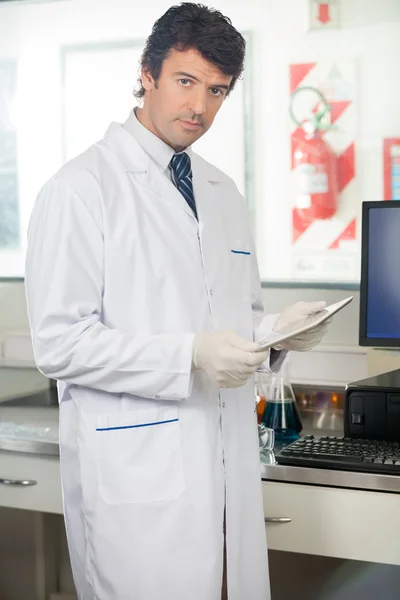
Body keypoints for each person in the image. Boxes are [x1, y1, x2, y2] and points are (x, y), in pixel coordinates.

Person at [25, 3, 329, 599]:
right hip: (137, 477)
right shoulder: (81, 189)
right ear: (147, 73)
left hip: (224, 463)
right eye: (185, 82)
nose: (199, 108)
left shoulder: (221, 190)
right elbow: (59, 344)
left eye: (217, 91)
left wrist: (275, 333)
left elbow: (228, 322)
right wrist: (188, 356)